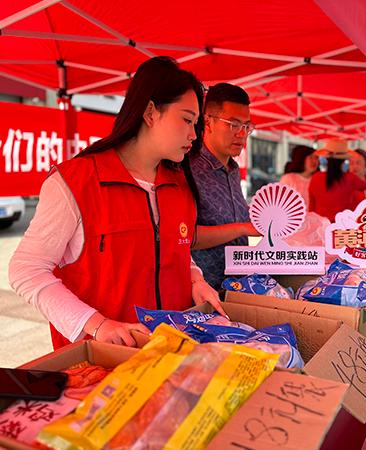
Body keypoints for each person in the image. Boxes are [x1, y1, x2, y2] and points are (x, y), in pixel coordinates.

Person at [9, 56, 225, 349]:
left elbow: (176, 250)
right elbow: (26, 270)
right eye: (187, 119)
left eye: (196, 124)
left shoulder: (178, 184)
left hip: (174, 354)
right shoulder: (76, 182)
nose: (193, 134)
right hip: (105, 363)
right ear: (150, 112)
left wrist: (195, 281)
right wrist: (97, 324)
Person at [186, 83, 260, 291]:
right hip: (202, 292)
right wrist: (243, 228)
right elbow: (186, 237)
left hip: (239, 289)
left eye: (246, 126)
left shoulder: (233, 169)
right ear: (208, 122)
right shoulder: (188, 169)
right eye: (233, 124)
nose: (242, 134)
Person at [308, 140, 366, 223]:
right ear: (344, 161)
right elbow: (364, 186)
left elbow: (311, 207)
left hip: (320, 226)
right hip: (342, 227)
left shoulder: (316, 177)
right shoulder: (351, 178)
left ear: (327, 159)